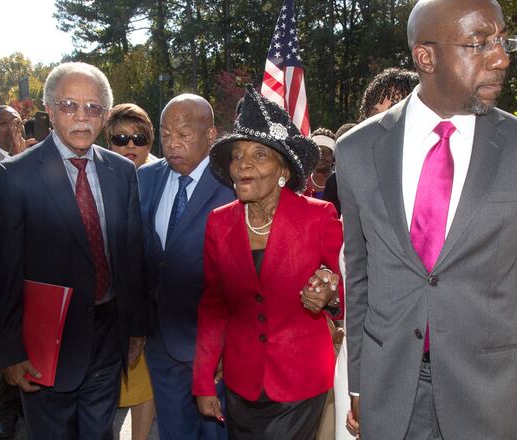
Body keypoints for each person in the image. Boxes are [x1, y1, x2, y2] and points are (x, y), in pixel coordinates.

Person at [336, 0, 517, 438]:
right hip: (390, 390)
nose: (501, 57)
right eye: (479, 44)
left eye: (503, 41)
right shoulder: (357, 151)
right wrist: (359, 381)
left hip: (488, 397)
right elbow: (360, 278)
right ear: (426, 57)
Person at [0, 62, 149, 440]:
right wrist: (9, 351)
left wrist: (137, 327)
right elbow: (3, 269)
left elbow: (130, 255)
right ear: (49, 108)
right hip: (47, 343)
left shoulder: (122, 172)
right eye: (69, 105)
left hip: (109, 339)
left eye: (93, 108)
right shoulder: (15, 176)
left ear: (105, 116)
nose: (82, 117)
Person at [192, 84, 344, 439]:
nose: (243, 163)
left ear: (283, 171)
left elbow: (348, 288)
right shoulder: (219, 222)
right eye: (237, 155)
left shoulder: (318, 217)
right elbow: (213, 306)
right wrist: (202, 380)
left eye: (259, 155)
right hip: (241, 382)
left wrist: (331, 297)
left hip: (300, 380)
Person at [138, 93, 235, 440]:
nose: (172, 144)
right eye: (165, 135)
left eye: (183, 134)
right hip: (160, 339)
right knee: (173, 431)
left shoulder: (233, 185)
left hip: (214, 347)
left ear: (211, 135)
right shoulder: (146, 179)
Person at [103, 102, 158, 440]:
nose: (130, 146)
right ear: (107, 140)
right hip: (106, 311)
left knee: (144, 391)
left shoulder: (163, 177)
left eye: (139, 138)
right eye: (121, 138)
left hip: (154, 309)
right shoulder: (93, 175)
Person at [0, 104, 37, 439]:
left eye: (15, 122)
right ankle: (6, 413)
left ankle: (33, 407)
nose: (10, 128)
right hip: (0, 268)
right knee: (7, 341)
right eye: (2, 124)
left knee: (36, 342)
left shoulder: (38, 158)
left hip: (37, 268)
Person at [304, 128, 337, 199]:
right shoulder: (301, 184)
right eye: (317, 151)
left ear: (333, 157)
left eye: (326, 152)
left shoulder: (340, 183)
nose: (321, 155)